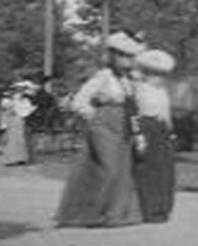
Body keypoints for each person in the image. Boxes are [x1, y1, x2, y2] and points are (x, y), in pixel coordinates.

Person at [56, 31, 144, 227]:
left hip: (124, 123)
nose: (126, 59)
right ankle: (90, 214)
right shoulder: (103, 76)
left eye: (129, 56)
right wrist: (95, 117)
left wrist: (137, 132)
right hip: (104, 124)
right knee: (108, 167)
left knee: (123, 168)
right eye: (122, 55)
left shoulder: (129, 80)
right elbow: (79, 101)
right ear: (113, 56)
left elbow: (133, 107)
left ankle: (116, 214)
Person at [132, 48, 176, 223]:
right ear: (146, 74)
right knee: (148, 170)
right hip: (146, 128)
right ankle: (148, 209)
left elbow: (166, 113)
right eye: (155, 75)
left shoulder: (162, 92)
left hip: (161, 130)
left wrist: (171, 131)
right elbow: (134, 114)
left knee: (165, 170)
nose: (160, 79)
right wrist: (138, 135)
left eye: (162, 75)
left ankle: (162, 208)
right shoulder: (139, 90)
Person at [0, 82, 35, 166]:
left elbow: (26, 109)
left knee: (20, 139)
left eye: (22, 89)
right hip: (11, 120)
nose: (20, 91)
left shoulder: (25, 100)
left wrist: (25, 111)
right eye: (18, 89)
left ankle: (21, 158)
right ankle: (10, 159)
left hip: (19, 119)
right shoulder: (9, 99)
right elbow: (5, 107)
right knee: (11, 139)